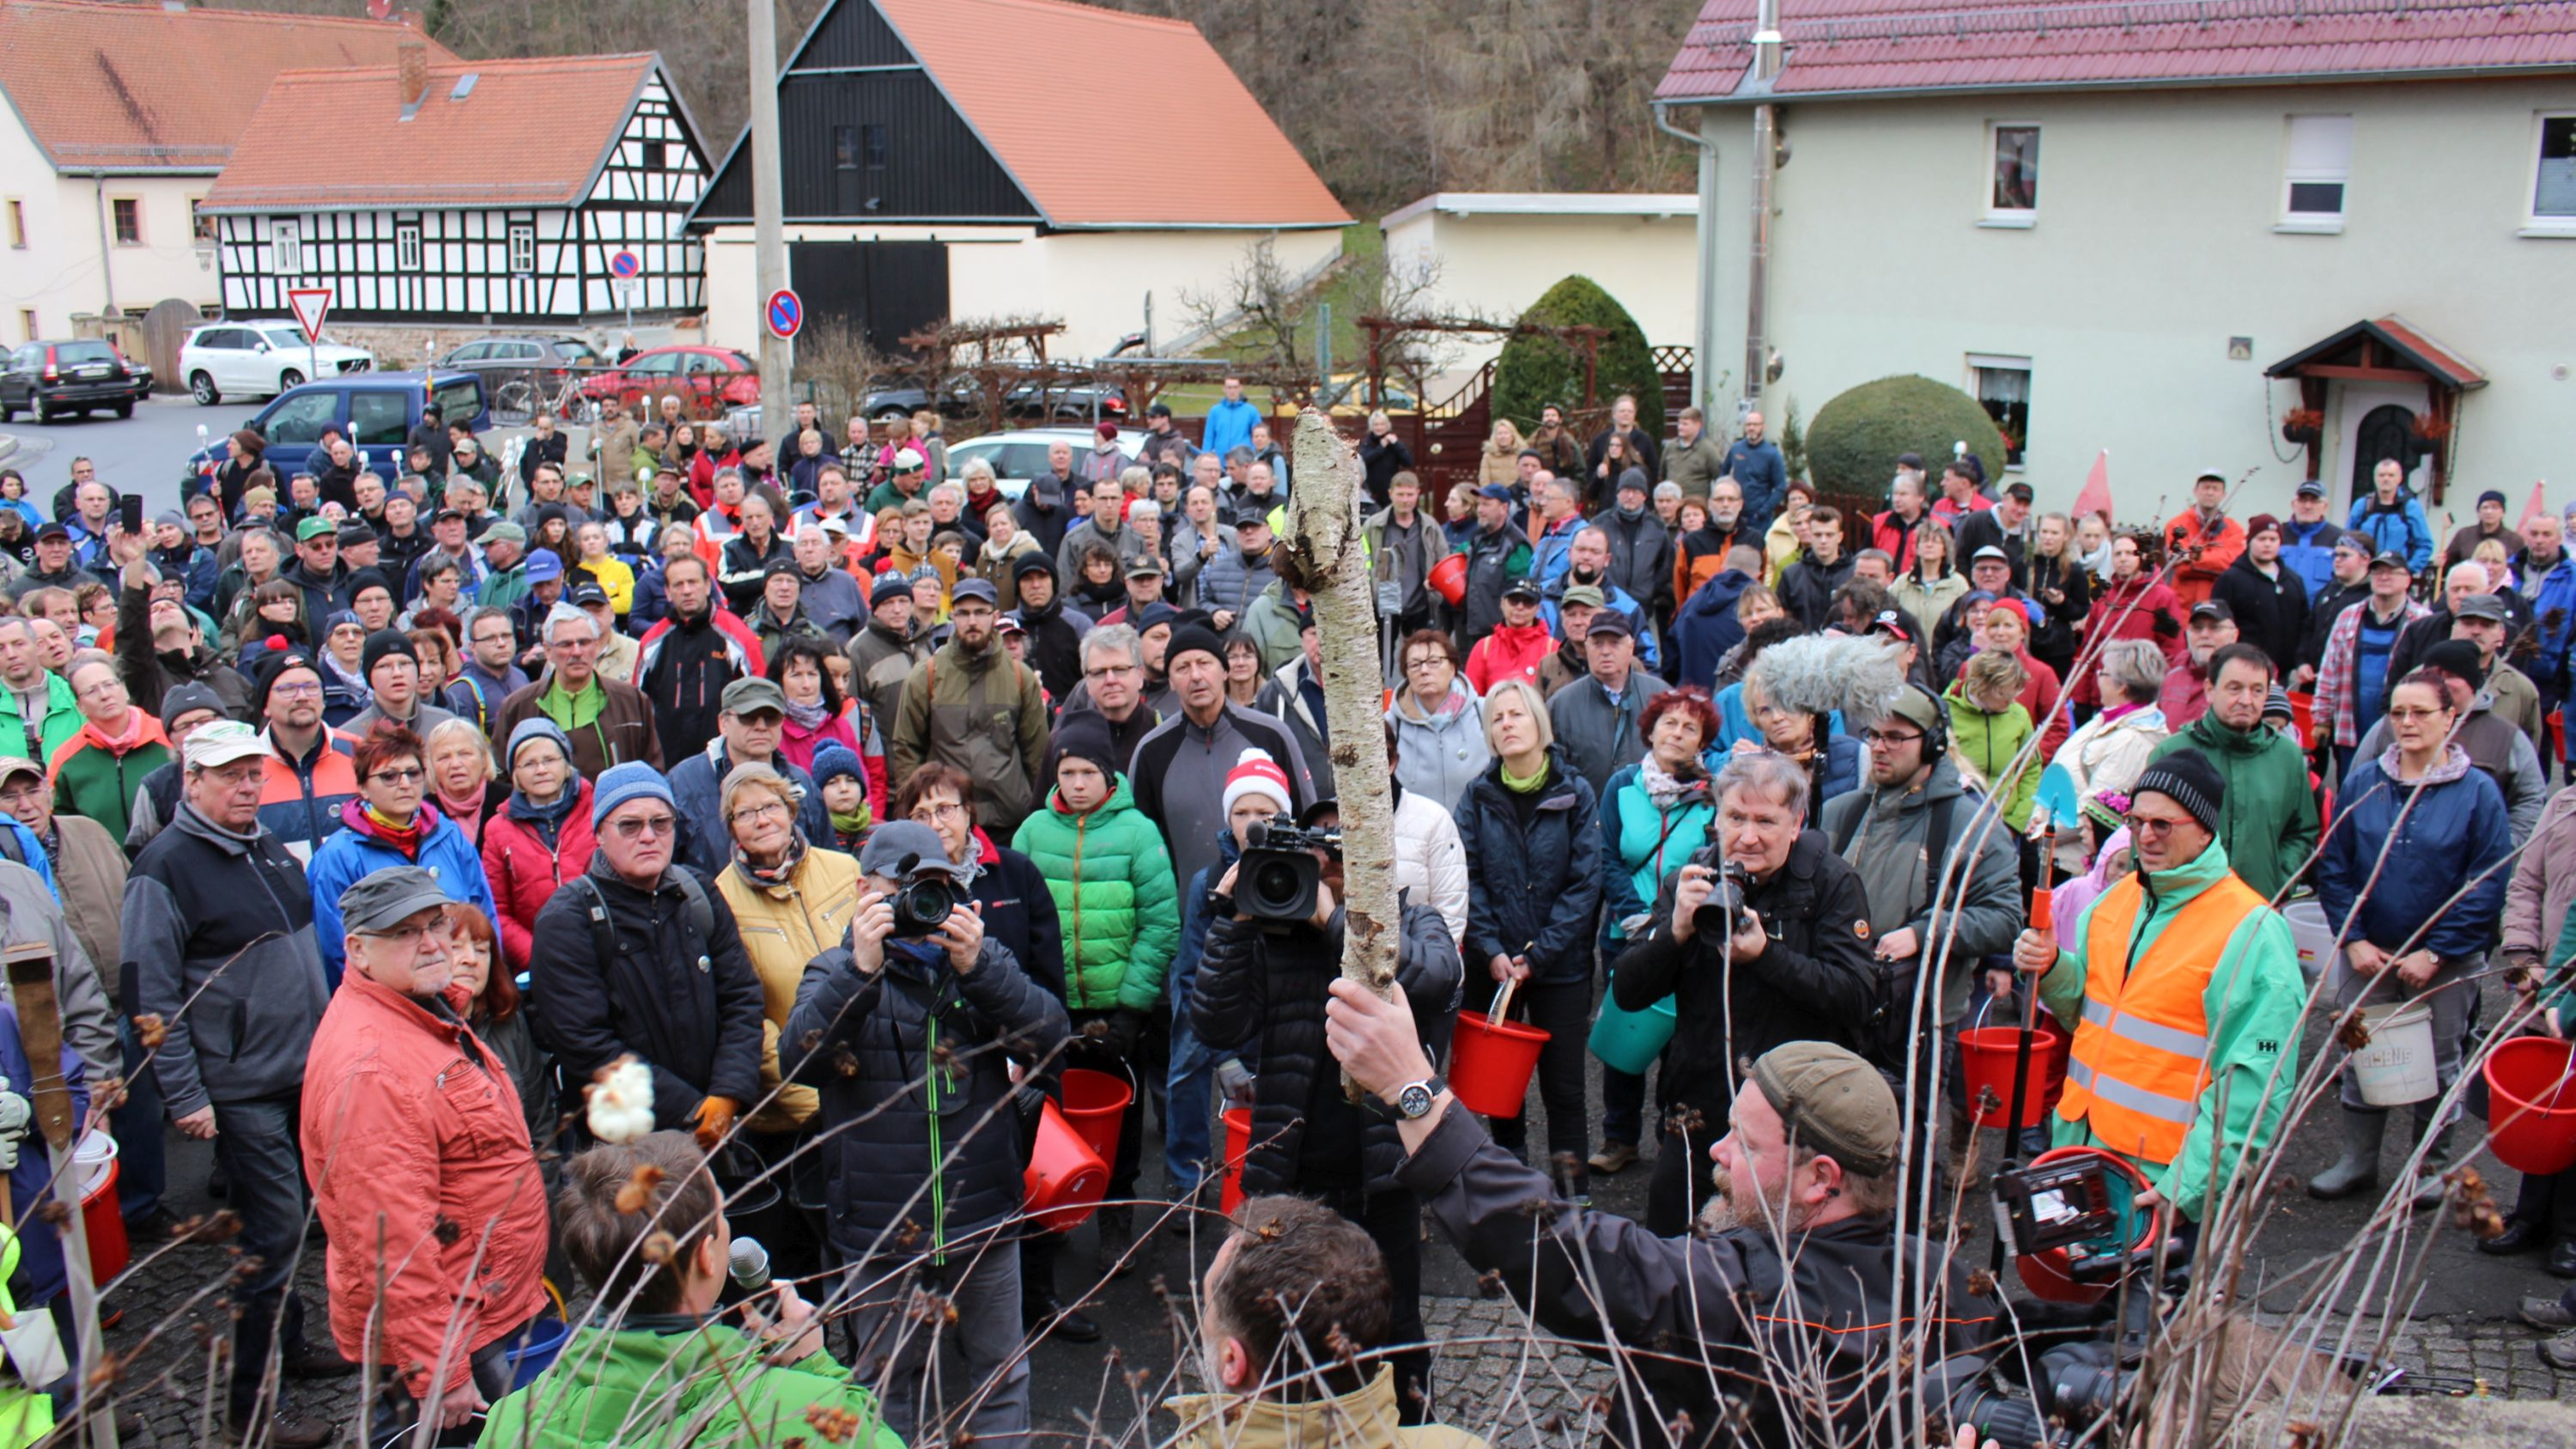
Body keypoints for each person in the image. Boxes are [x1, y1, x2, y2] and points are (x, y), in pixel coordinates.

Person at [1334, 959, 1996, 1449]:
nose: (1718, 1151)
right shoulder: (1953, 1292)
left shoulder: (1739, 1300)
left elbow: (1560, 1250)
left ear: (1821, 1177)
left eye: (1745, 1140)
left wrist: (1411, 1087)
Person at [781, 818, 1067, 1449]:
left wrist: (981, 965)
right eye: (901, 885)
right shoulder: (832, 969)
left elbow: (1051, 1042)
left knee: (1000, 1378)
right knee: (889, 1387)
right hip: (883, 1230)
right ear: (863, 891)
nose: (919, 900)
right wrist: (862, 969)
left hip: (982, 1215)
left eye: (934, 884)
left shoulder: (977, 966)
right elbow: (800, 1062)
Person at [1191, 782, 1461, 1423]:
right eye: (1320, 845)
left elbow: (1437, 978)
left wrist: (1333, 922)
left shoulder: (1408, 916)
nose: (1331, 860)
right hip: (1288, 1174)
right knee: (1274, 1327)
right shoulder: (1269, 925)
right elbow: (1215, 1024)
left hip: (1381, 1179)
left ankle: (1404, 1429)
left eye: (1345, 845)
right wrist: (1235, 918)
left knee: (1393, 1329)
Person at [125, 720, 345, 1445]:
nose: (249, 786)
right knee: (273, 1235)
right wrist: (184, 1094)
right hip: (242, 1085)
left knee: (291, 1230)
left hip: (299, 1071)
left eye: (254, 773)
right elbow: (151, 989)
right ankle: (253, 1405)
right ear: (192, 781)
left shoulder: (262, 844)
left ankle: (292, 1346)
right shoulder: (165, 866)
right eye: (231, 775)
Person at [300, 868, 548, 1442]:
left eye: (435, 923)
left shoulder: (420, 1010)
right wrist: (439, 1367)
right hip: (456, 1334)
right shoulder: (373, 1069)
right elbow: (391, 1244)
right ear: (358, 950)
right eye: (406, 932)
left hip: (479, 1307)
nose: (434, 941)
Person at [2013, 750, 2306, 1227]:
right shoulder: (2116, 903)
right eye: (2136, 820)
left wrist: (2188, 1190)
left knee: (2149, 1303)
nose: (2145, 836)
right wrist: (2052, 969)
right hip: (2080, 1154)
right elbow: (2087, 1016)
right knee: (2075, 1298)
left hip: (2161, 1182)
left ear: (2206, 830)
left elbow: (2256, 1081)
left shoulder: (2252, 932)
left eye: (2163, 824)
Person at [477, 1132, 902, 1449]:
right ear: (707, 1257)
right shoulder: (800, 1413)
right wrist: (815, 1365)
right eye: (721, 1215)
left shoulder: (509, 1424)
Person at [2312, 669, 2517, 1209]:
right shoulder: (2364, 783)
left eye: (2420, 712)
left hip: (2444, 962)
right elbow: (2334, 867)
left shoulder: (2478, 794)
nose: (2406, 723)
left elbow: (2488, 881)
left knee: (2441, 1062)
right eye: (2398, 712)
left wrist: (2439, 951)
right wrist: (2352, 938)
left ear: (2450, 718)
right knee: (2364, 1055)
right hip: (2369, 953)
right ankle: (2357, 1161)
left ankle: (2430, 1168)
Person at [1011, 714, 1176, 1257]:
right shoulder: (1033, 832)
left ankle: (1116, 1215)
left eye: (1088, 772)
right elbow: (1017, 920)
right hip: (1051, 1007)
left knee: (1121, 1119)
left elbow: (1159, 923)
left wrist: (1132, 1008)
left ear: (1109, 775)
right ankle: (1048, 1215)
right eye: (1067, 772)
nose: (1077, 783)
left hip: (1116, 1006)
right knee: (1046, 1115)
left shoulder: (1138, 833)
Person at [1819, 685, 2022, 1081]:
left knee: (1905, 1141)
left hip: (1918, 1023)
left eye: (1895, 737)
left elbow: (2006, 917)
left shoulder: (1969, 824)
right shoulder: (1840, 813)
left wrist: (1925, 932)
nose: (1879, 747)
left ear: (1932, 745)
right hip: (1837, 1011)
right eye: (1874, 735)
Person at [1453, 679, 1601, 1198]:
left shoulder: (1575, 792)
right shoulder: (1477, 795)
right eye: (1497, 718)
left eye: (1517, 714)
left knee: (1564, 1088)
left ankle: (1573, 1194)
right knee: (1499, 1089)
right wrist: (1491, 949)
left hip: (1558, 967)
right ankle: (1510, 1186)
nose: (1507, 724)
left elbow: (1585, 883)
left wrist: (1539, 955)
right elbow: (1465, 877)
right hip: (1493, 966)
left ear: (1540, 723)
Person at [305, 721, 498, 990]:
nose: (405, 784)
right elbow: (336, 950)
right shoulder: (338, 856)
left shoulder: (449, 835)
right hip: (391, 1005)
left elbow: (484, 916)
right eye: (390, 776)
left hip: (464, 996)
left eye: (412, 773)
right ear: (362, 786)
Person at [1130, 623, 1315, 898]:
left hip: (1274, 905)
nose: (1196, 676)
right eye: (1182, 668)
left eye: (1205, 663)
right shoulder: (1151, 751)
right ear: (1169, 680)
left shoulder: (1271, 734)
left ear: (1225, 670)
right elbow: (1139, 848)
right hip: (1188, 918)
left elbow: (1308, 822)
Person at [2146, 642, 2318, 901]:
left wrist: (2278, 880)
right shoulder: (2172, 754)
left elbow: (2302, 832)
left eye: (2257, 690)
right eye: (2234, 688)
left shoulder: (2287, 757)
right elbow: (2145, 837)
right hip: (2185, 909)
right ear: (2210, 690)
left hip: (2256, 910)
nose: (2246, 701)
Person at [887, 577, 1049, 840]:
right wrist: (914, 812)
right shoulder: (926, 676)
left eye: (980, 612)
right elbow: (907, 749)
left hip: (1009, 821)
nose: (972, 621)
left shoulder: (1020, 677)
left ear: (995, 616)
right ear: (952, 616)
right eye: (963, 613)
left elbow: (1037, 754)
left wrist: (1039, 813)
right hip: (945, 822)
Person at [2041, 639, 2170, 870]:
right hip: (2058, 850)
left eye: (2103, 672)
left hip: (2078, 861)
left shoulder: (2134, 740)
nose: (2097, 676)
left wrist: (2045, 830)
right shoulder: (2107, 719)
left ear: (2122, 686)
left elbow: (2098, 808)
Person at [635, 554, 765, 763]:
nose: (686, 590)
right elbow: (639, 706)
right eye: (678, 585)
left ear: (707, 586)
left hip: (725, 760)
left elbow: (760, 695)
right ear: (667, 592)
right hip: (667, 761)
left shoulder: (737, 635)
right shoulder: (652, 642)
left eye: (692, 582)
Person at [2314, 550, 2430, 779]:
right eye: (2378, 572)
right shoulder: (2349, 616)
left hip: (2401, 730)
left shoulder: (2423, 620)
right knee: (2352, 787)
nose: (2384, 577)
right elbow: (2329, 671)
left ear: (2408, 579)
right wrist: (2322, 719)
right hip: (2350, 727)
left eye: (2392, 572)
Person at [46, 652, 171, 843]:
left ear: (125, 690)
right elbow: (61, 826)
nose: (105, 695)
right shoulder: (66, 760)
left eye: (109, 684)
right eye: (91, 691)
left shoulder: (167, 738)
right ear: (80, 706)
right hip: (105, 867)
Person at [1547, 613, 1668, 795]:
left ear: (1631, 647)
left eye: (1614, 643)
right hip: (1585, 815)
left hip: (1651, 813)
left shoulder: (1661, 697)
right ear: (1587, 648)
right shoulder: (1561, 705)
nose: (1605, 651)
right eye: (1597, 644)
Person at [2070, 531, 2186, 709]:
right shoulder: (2103, 599)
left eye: (2130, 553)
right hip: (2104, 697)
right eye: (2118, 554)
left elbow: (2173, 652)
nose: (2123, 559)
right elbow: (2089, 651)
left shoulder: (2162, 597)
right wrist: (2081, 698)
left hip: (2142, 698)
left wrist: (2161, 695)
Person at [1386, 630, 1486, 815]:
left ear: (1453, 667)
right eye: (1415, 665)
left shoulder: (1484, 712)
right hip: (1419, 838)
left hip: (1478, 835)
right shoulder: (1391, 725)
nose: (1424, 671)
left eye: (1434, 662)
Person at [1455, 484, 1532, 644]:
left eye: (1487, 504)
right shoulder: (1479, 537)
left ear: (1504, 508)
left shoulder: (1516, 544)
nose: (1480, 510)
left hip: (1499, 637)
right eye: (1479, 504)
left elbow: (1519, 596)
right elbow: (1461, 553)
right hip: (1471, 630)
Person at [2162, 469, 2245, 608]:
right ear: (2196, 491)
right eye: (2206, 487)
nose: (2210, 492)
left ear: (2223, 495)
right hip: (2181, 607)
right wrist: (2217, 561)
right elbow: (2180, 565)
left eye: (2215, 489)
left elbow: (2233, 565)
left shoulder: (2235, 530)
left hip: (2218, 606)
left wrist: (2194, 559)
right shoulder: (2176, 525)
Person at [2344, 457, 2435, 574]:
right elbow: (2347, 541)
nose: (2386, 479)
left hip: (2396, 574)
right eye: (2381, 475)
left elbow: (2425, 544)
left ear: (2400, 478)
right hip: (2364, 575)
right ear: (2375, 478)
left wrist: (2408, 569)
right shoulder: (2363, 505)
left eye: (2391, 475)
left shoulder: (2410, 507)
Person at [1463, 576, 1552, 695]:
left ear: (1538, 608)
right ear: (1502, 603)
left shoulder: (1552, 648)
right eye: (1514, 601)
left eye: (1528, 602)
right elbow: (1472, 698)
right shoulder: (1483, 648)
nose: (1520, 607)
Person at [1777, 505, 1854, 631]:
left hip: (1843, 647)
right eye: (1818, 535)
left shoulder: (1854, 574)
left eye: (1829, 535)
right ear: (1810, 536)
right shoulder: (1791, 575)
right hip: (1801, 647)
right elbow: (1781, 618)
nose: (1823, 541)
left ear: (1840, 537)